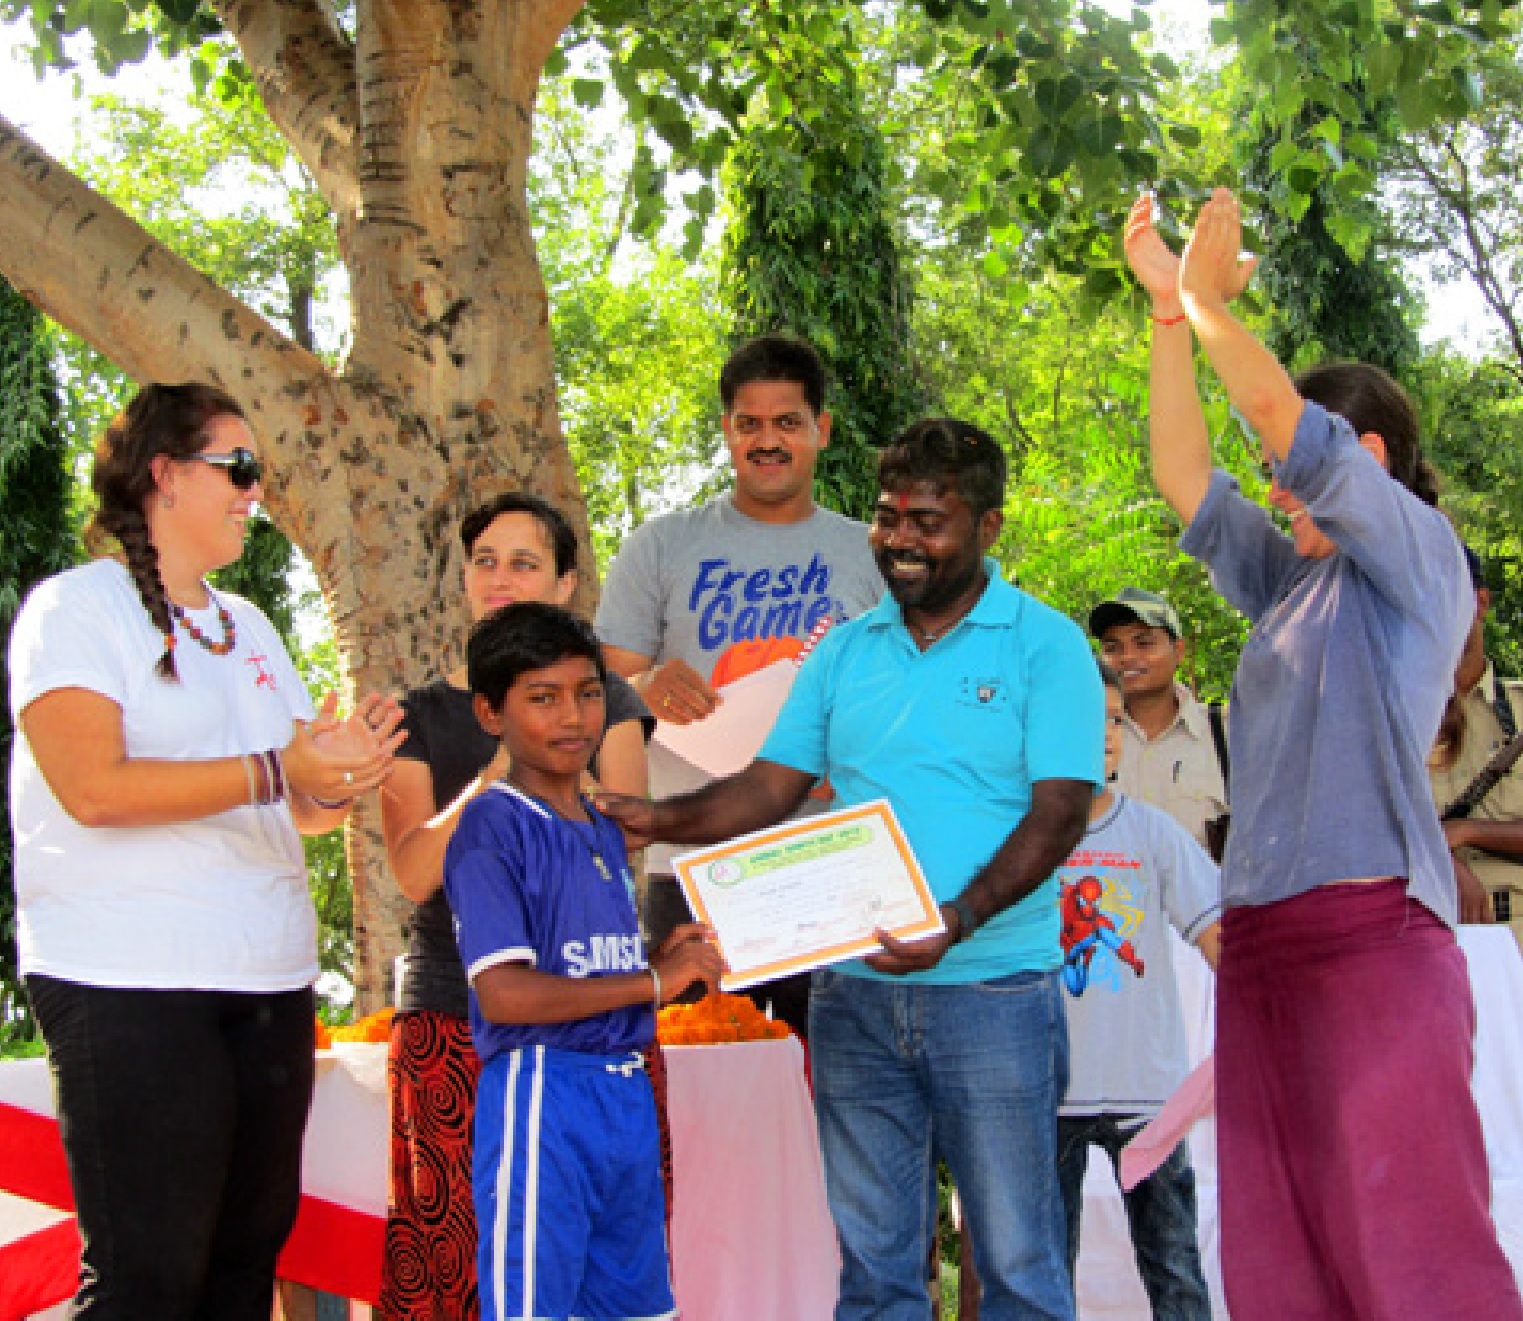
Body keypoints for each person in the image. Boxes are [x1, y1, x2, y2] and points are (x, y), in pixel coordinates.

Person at [600, 417, 1104, 1320]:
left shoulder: (1046, 643)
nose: (901, 539)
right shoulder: (843, 650)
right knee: (874, 1269)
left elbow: (1059, 811)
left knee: (1019, 1262)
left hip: (994, 994)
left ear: (988, 528)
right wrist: (653, 817)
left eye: (928, 520)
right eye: (886, 516)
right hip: (854, 996)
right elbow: (766, 787)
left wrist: (956, 917)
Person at [1124, 186, 1523, 1317]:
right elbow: (1182, 478)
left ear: (1365, 455)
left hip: (1371, 944)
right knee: (1279, 1251)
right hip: (1261, 948)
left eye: (1297, 454)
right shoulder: (1286, 584)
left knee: (1410, 1246)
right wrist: (1167, 316)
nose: (1270, 477)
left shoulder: (1417, 559)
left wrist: (1210, 304)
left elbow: (1275, 424)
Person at [7, 383, 402, 1319]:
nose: (253, 491)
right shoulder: (75, 609)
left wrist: (339, 773)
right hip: (126, 979)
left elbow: (294, 805)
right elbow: (94, 789)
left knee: (241, 1269)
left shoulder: (249, 624)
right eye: (238, 468)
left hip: (267, 980)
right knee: (149, 1279)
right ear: (165, 475)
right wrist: (279, 768)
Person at [377, 492, 653, 1319]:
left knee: (592, 1263)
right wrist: (504, 763)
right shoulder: (416, 714)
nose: (500, 579)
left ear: (566, 581)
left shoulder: (608, 699)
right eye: (484, 561)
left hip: (591, 1014)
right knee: (456, 1256)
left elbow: (626, 828)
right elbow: (415, 872)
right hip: (450, 1015)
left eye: (524, 562)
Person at [594, 332, 884, 1034]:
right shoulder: (661, 545)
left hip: (829, 856)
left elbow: (905, 702)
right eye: (748, 423)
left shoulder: (872, 553)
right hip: (695, 865)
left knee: (832, 1096)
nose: (767, 440)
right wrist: (644, 684)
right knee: (703, 1090)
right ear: (726, 430)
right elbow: (596, 684)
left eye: (787, 422)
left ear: (822, 429)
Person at [442, 603, 722, 1321]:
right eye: (542, 697)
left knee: (636, 1309)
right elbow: (504, 992)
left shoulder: (601, 826)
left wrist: (667, 955)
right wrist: (654, 981)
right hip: (545, 1093)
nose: (573, 715)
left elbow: (590, 963)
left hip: (623, 1092)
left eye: (588, 692)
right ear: (489, 711)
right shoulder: (492, 823)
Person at [1056, 663, 1220, 1318]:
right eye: (1080, 718)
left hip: (1146, 1093)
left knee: (1174, 1266)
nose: (1101, 734)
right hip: (1047, 1092)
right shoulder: (1015, 839)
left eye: (1112, 719)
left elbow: (1218, 937)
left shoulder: (1152, 832)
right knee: (1040, 1270)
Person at [1088, 587, 1229, 855]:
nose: (1128, 657)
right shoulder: (1084, 737)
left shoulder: (1224, 732)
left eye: (1144, 643)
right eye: (1112, 647)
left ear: (1178, 651)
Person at [1429, 544, 1523, 935]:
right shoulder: (1384, 721)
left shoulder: (1518, 711)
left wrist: (1466, 832)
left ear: (1480, 603)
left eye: (1448, 598)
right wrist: (1438, 853)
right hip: (1419, 941)